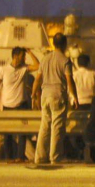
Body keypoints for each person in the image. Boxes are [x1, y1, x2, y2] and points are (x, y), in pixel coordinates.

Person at [31, 33, 78, 165]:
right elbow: (70, 80)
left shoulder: (45, 59)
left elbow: (37, 79)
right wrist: (75, 97)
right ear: (64, 44)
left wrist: (33, 95)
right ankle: (55, 156)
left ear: (53, 43)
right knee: (57, 126)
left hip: (45, 94)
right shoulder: (65, 60)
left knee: (44, 126)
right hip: (57, 94)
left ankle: (39, 157)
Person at [0, 47, 40, 161]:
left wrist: (30, 52)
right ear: (15, 56)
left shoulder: (24, 68)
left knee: (22, 134)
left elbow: (38, 65)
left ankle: (20, 157)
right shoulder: (3, 69)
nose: (24, 58)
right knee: (7, 134)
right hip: (7, 106)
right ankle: (9, 157)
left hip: (21, 105)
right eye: (22, 56)